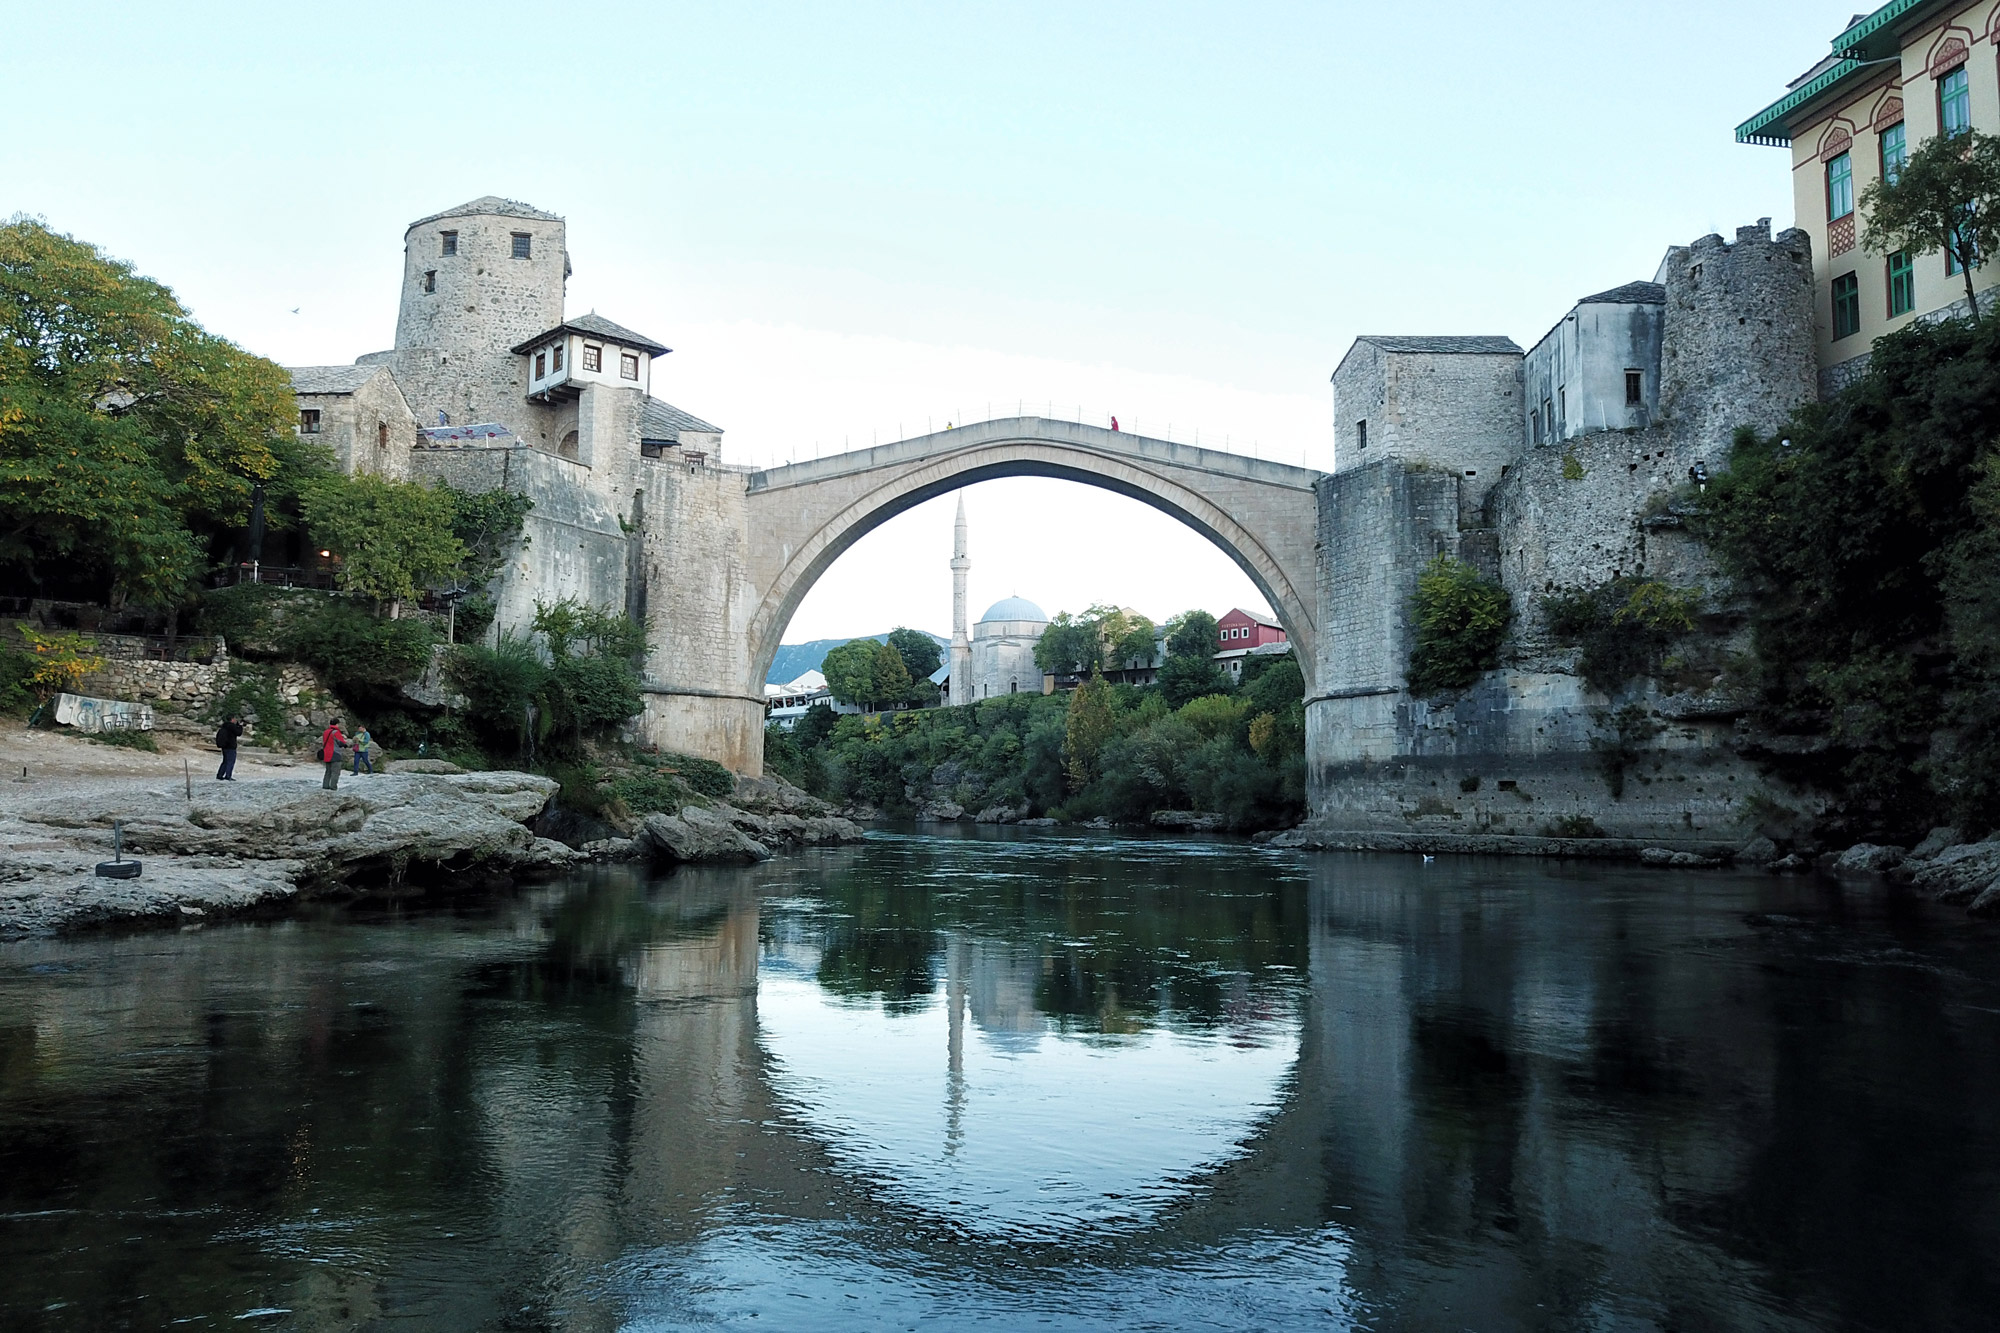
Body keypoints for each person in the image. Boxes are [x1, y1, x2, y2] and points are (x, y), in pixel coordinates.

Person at [320, 717, 348, 791]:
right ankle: (333, 787)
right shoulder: (336, 732)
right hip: (335, 754)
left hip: (326, 754)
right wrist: (346, 744)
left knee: (328, 771)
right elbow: (341, 743)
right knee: (335, 772)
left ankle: (325, 786)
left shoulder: (325, 732)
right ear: (337, 724)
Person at [214, 714, 244, 781]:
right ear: (232, 719)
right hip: (231, 746)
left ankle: (220, 775)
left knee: (225, 761)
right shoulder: (232, 726)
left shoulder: (224, 726)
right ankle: (228, 775)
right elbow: (238, 733)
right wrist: (240, 726)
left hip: (224, 746)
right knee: (230, 761)